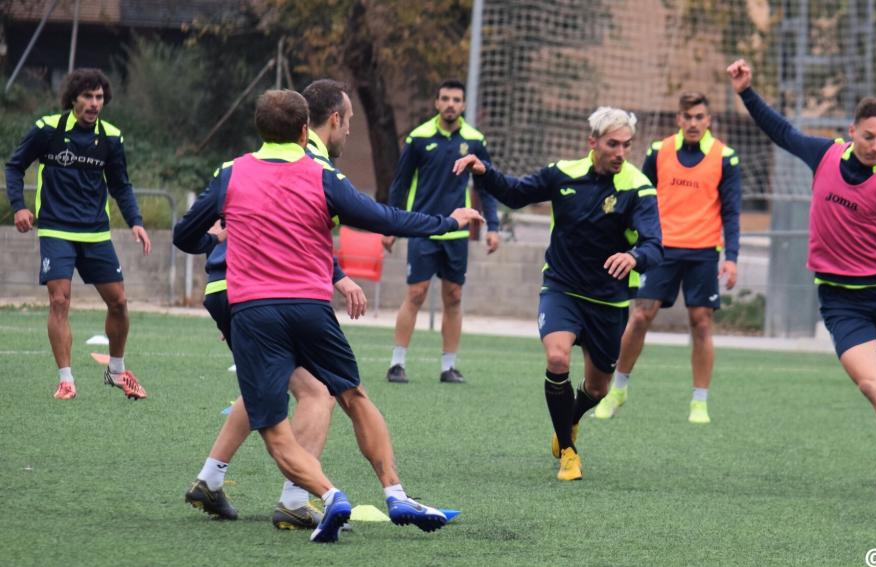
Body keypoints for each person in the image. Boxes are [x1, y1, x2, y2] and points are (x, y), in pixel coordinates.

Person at [174, 89, 481, 542]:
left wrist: (216, 238)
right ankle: (394, 492)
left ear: (260, 129)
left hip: (254, 312)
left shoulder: (230, 173)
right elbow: (383, 218)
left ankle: (327, 494)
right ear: (304, 131)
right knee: (351, 395)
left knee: (276, 429)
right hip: (311, 309)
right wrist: (447, 223)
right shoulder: (321, 173)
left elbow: (184, 235)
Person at [727, 59, 876, 491]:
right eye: (868, 136)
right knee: (873, 385)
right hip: (840, 300)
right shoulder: (825, 155)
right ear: (853, 132)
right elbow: (783, 132)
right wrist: (746, 92)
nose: (875, 144)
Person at [183, 79, 369, 530]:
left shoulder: (254, 160)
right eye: (349, 122)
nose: (350, 133)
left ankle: (210, 478)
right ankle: (296, 497)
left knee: (263, 384)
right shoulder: (313, 161)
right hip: (254, 288)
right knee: (317, 391)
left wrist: (336, 274)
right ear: (330, 121)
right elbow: (298, 234)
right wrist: (338, 274)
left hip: (231, 286)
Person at [453, 107, 662, 481]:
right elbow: (516, 193)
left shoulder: (638, 188)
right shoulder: (562, 174)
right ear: (592, 142)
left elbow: (654, 245)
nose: (620, 152)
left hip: (609, 301)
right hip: (562, 288)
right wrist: (485, 172)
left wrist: (633, 256)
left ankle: (572, 418)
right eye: (612, 144)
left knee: (597, 388)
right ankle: (568, 450)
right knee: (557, 358)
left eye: (626, 145)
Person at [4, 68, 151, 401]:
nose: (94, 103)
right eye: (87, 96)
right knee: (59, 301)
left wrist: (136, 221)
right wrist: (20, 206)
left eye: (99, 97)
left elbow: (120, 185)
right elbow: (14, 166)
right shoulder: (47, 130)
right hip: (56, 228)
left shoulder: (111, 137)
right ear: (73, 98)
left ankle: (116, 371)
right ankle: (66, 379)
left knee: (119, 303)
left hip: (96, 232)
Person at [596, 91, 742, 424]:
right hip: (660, 248)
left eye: (699, 117)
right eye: (687, 117)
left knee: (701, 322)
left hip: (704, 250)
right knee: (640, 316)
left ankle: (699, 401)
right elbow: (639, 195)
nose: (693, 123)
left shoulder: (725, 157)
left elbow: (732, 212)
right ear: (678, 119)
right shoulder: (658, 152)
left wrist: (731, 257)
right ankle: (617, 388)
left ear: (709, 120)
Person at [382, 79, 501, 384]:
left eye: (456, 99)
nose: (450, 104)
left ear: (463, 105)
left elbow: (486, 185)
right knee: (416, 293)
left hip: (458, 233)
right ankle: (397, 363)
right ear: (436, 103)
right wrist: (390, 225)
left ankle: (448, 366)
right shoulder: (419, 138)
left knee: (454, 296)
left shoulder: (475, 140)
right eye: (445, 98)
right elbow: (400, 183)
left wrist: (493, 226)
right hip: (422, 228)